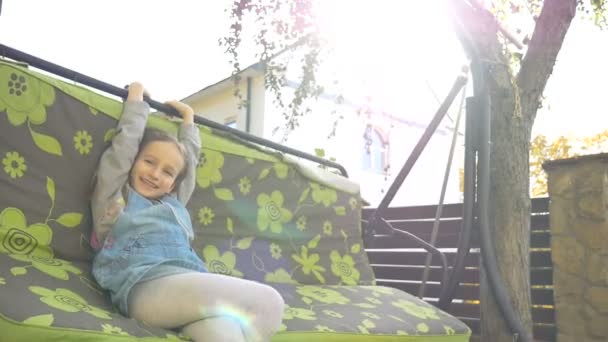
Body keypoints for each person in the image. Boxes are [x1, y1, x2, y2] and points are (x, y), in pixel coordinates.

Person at [90, 82, 285, 342]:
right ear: (134, 162)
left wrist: (189, 119)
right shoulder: (116, 199)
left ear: (174, 183)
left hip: (185, 286)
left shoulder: (174, 202)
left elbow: (188, 164)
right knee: (268, 302)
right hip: (143, 287)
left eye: (167, 172)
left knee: (227, 332)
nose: (155, 175)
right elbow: (122, 149)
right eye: (149, 162)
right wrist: (137, 103)